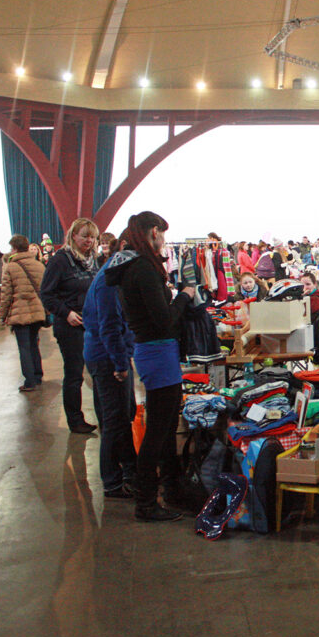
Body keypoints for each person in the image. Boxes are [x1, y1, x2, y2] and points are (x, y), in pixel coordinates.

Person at [106, 211, 196, 522]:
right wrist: (184, 296)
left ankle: (170, 490)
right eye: (163, 234)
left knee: (167, 425)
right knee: (159, 430)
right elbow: (164, 319)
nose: (164, 240)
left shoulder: (130, 265)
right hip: (158, 352)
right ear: (153, 232)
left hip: (154, 351)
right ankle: (147, 502)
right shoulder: (142, 268)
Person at [82, 230, 137, 500]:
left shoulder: (109, 276)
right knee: (114, 421)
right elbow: (109, 327)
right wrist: (120, 363)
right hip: (106, 358)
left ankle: (129, 473)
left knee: (122, 416)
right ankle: (113, 483)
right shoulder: (108, 281)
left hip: (108, 355)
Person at [41, 217, 101, 434]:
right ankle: (75, 420)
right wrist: (66, 313)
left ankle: (102, 414)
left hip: (92, 325)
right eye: (85, 236)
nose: (89, 240)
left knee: (97, 371)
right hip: (70, 327)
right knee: (74, 374)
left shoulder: (94, 259)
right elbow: (46, 294)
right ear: (73, 235)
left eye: (92, 237)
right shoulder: (60, 260)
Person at [0, 235, 48, 393]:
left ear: (14, 248)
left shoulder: (11, 267)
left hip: (20, 313)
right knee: (34, 344)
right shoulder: (39, 265)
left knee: (24, 347)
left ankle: (29, 381)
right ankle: (38, 376)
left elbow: (6, 294)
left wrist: (2, 315)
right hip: (37, 311)